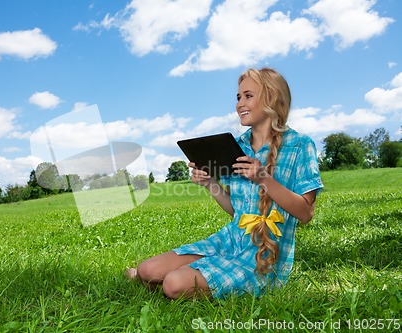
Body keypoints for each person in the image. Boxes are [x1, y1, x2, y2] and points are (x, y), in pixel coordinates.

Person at [127, 67, 323, 299]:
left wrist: (263, 178)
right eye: (238, 97)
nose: (239, 103)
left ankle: (181, 279)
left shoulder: (300, 145)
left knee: (173, 285)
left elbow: (306, 213)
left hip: (263, 255)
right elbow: (236, 211)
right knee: (147, 269)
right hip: (231, 239)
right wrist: (211, 183)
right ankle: (176, 275)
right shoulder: (235, 146)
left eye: (248, 96)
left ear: (272, 98)